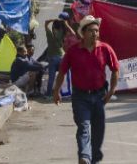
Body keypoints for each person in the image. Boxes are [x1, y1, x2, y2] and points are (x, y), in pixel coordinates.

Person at [53, 15, 119, 164]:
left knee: (98, 129)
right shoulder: (73, 51)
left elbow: (115, 69)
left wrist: (112, 90)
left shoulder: (105, 49)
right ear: (83, 32)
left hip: (99, 95)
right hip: (80, 97)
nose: (95, 33)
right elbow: (62, 71)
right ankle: (85, 157)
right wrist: (56, 91)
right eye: (91, 30)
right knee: (83, 126)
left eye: (96, 30)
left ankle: (92, 156)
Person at [45, 12, 74, 97]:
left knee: (51, 77)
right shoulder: (63, 34)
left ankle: (48, 95)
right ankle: (64, 92)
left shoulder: (50, 34)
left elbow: (46, 23)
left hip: (52, 58)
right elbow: (73, 34)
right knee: (63, 76)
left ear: (54, 28)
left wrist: (53, 19)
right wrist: (66, 24)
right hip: (62, 57)